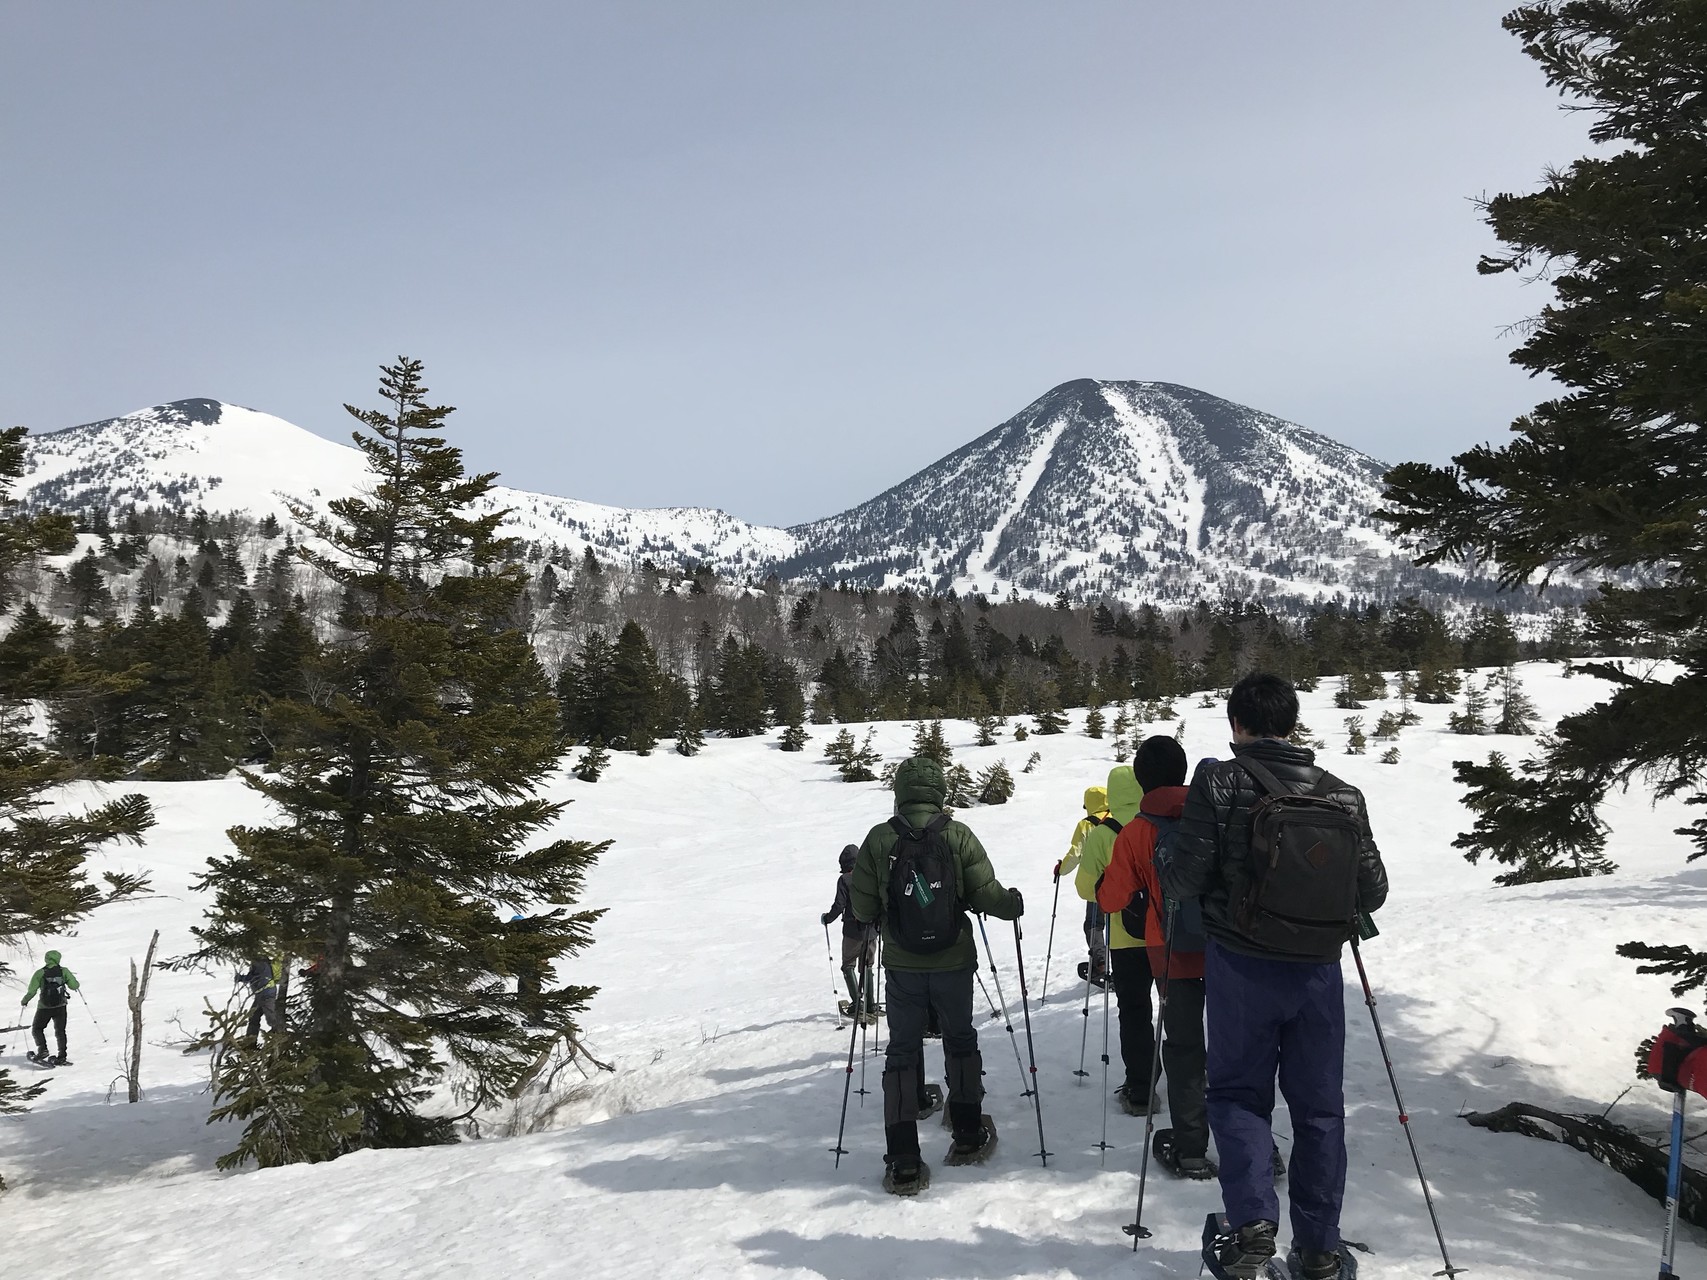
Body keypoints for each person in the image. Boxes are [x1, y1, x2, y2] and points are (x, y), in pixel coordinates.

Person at [1163, 673, 1389, 1280]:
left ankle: (1253, 1226)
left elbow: (1183, 879)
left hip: (1241, 964)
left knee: (1238, 1094)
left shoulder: (1220, 780)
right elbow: (1375, 889)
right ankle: (1318, 1249)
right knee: (1320, 1109)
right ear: (1292, 724)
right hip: (1317, 971)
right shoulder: (1342, 795)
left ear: (1237, 725)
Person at [851, 755, 1023, 1195]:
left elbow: (864, 908)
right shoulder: (957, 834)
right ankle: (967, 1134)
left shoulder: (879, 839)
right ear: (939, 790)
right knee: (960, 1039)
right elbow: (987, 895)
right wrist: (1013, 904)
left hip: (903, 966)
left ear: (901, 790)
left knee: (902, 1052)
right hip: (953, 960)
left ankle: (904, 1157)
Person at [1098, 736, 1212, 1178]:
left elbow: (1110, 899)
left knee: (1184, 1047)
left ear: (1141, 781)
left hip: (1170, 952)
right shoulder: (1214, 815)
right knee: (1235, 1048)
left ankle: (1191, 1149)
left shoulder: (1137, 832)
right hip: (1227, 949)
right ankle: (1252, 1142)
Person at [1073, 763, 1156, 1114]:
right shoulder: (1158, 822)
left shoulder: (1103, 833)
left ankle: (1141, 1088)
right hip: (1168, 934)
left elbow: (1084, 888)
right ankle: (1191, 1081)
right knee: (1181, 1009)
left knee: (1135, 1011)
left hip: (1126, 938)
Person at [1056, 785, 1110, 987]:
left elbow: (1076, 853)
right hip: (1121, 881)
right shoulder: (1119, 817)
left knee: (1094, 924)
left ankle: (1102, 965)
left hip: (1095, 885)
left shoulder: (1086, 825)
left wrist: (1061, 870)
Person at [822, 844, 878, 1023]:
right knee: (868, 965)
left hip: (853, 930)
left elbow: (839, 904)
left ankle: (858, 1004)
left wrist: (827, 919)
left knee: (848, 965)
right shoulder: (870, 875)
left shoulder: (845, 879)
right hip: (872, 928)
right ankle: (871, 1004)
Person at [20, 950, 79, 1065]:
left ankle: (43, 1050)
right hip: (60, 1006)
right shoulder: (64, 971)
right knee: (60, 1031)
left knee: (37, 1028)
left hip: (44, 1007)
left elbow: (32, 991)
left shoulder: (40, 973)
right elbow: (74, 985)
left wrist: (25, 1001)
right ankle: (62, 1057)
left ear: (46, 959)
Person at [239, 955, 284, 1047]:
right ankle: (250, 1043)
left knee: (271, 1019)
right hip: (261, 994)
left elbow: (256, 977)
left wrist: (241, 978)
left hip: (267, 994)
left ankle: (280, 1040)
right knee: (253, 1017)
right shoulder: (259, 962)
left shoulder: (260, 963)